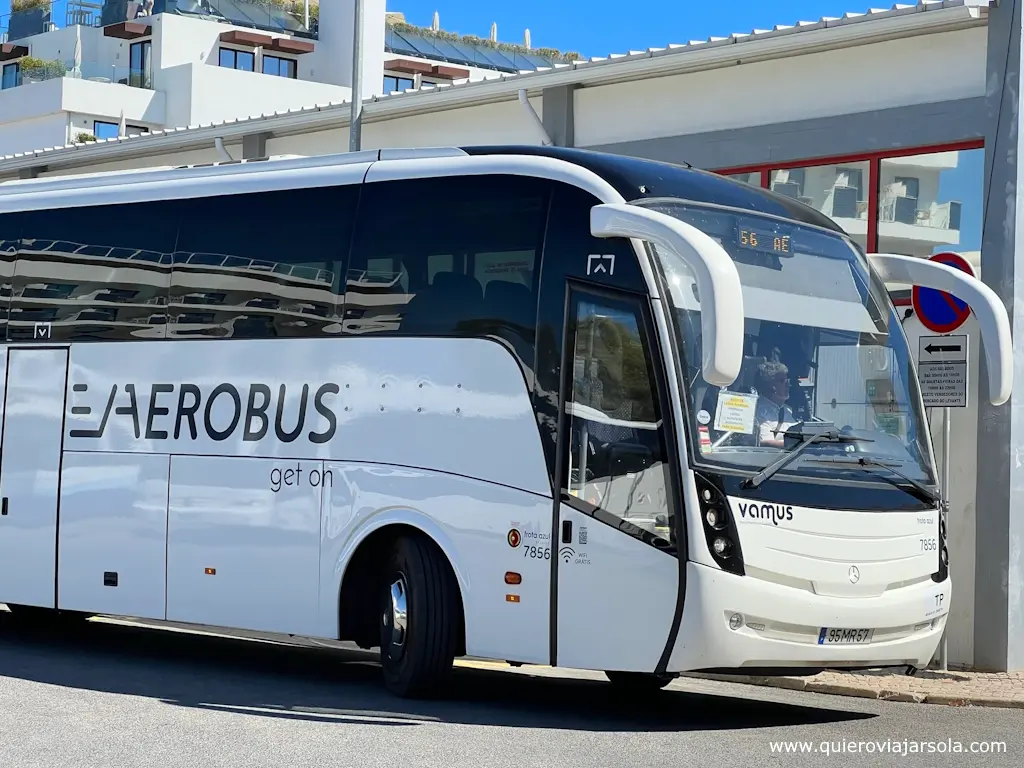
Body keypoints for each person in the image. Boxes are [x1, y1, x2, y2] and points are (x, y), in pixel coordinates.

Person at [754, 360, 796, 447]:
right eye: (782, 381)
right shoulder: (759, 411)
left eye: (787, 380)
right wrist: (797, 444)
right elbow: (764, 444)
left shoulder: (788, 410)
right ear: (770, 385)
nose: (788, 385)